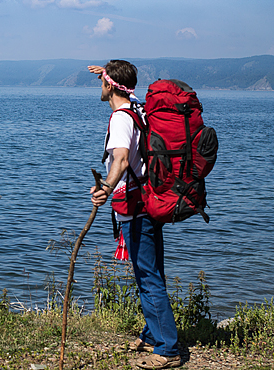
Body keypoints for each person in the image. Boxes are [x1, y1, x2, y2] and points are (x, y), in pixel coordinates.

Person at [88, 60, 181, 369]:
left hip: (136, 208)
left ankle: (168, 349)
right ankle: (154, 335)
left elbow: (122, 159)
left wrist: (106, 187)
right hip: (149, 204)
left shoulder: (120, 119)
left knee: (148, 277)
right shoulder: (138, 109)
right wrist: (107, 68)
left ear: (110, 85)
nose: (99, 86)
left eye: (102, 80)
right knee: (151, 274)